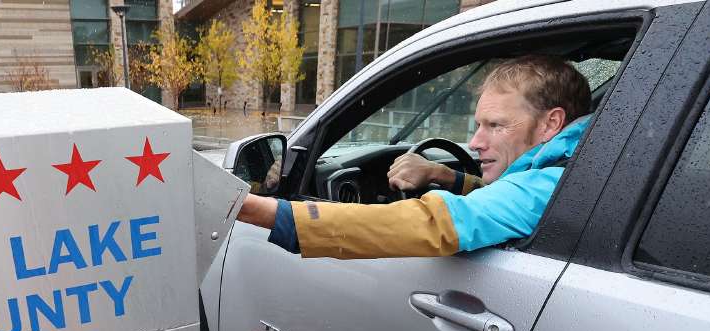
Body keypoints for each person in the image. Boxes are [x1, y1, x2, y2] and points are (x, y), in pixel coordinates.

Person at [236, 54, 592, 258]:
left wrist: (256, 209)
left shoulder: (550, 185)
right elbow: (507, 195)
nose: (475, 142)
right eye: (478, 125)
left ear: (551, 123)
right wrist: (445, 175)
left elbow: (429, 224)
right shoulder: (581, 163)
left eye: (496, 125)